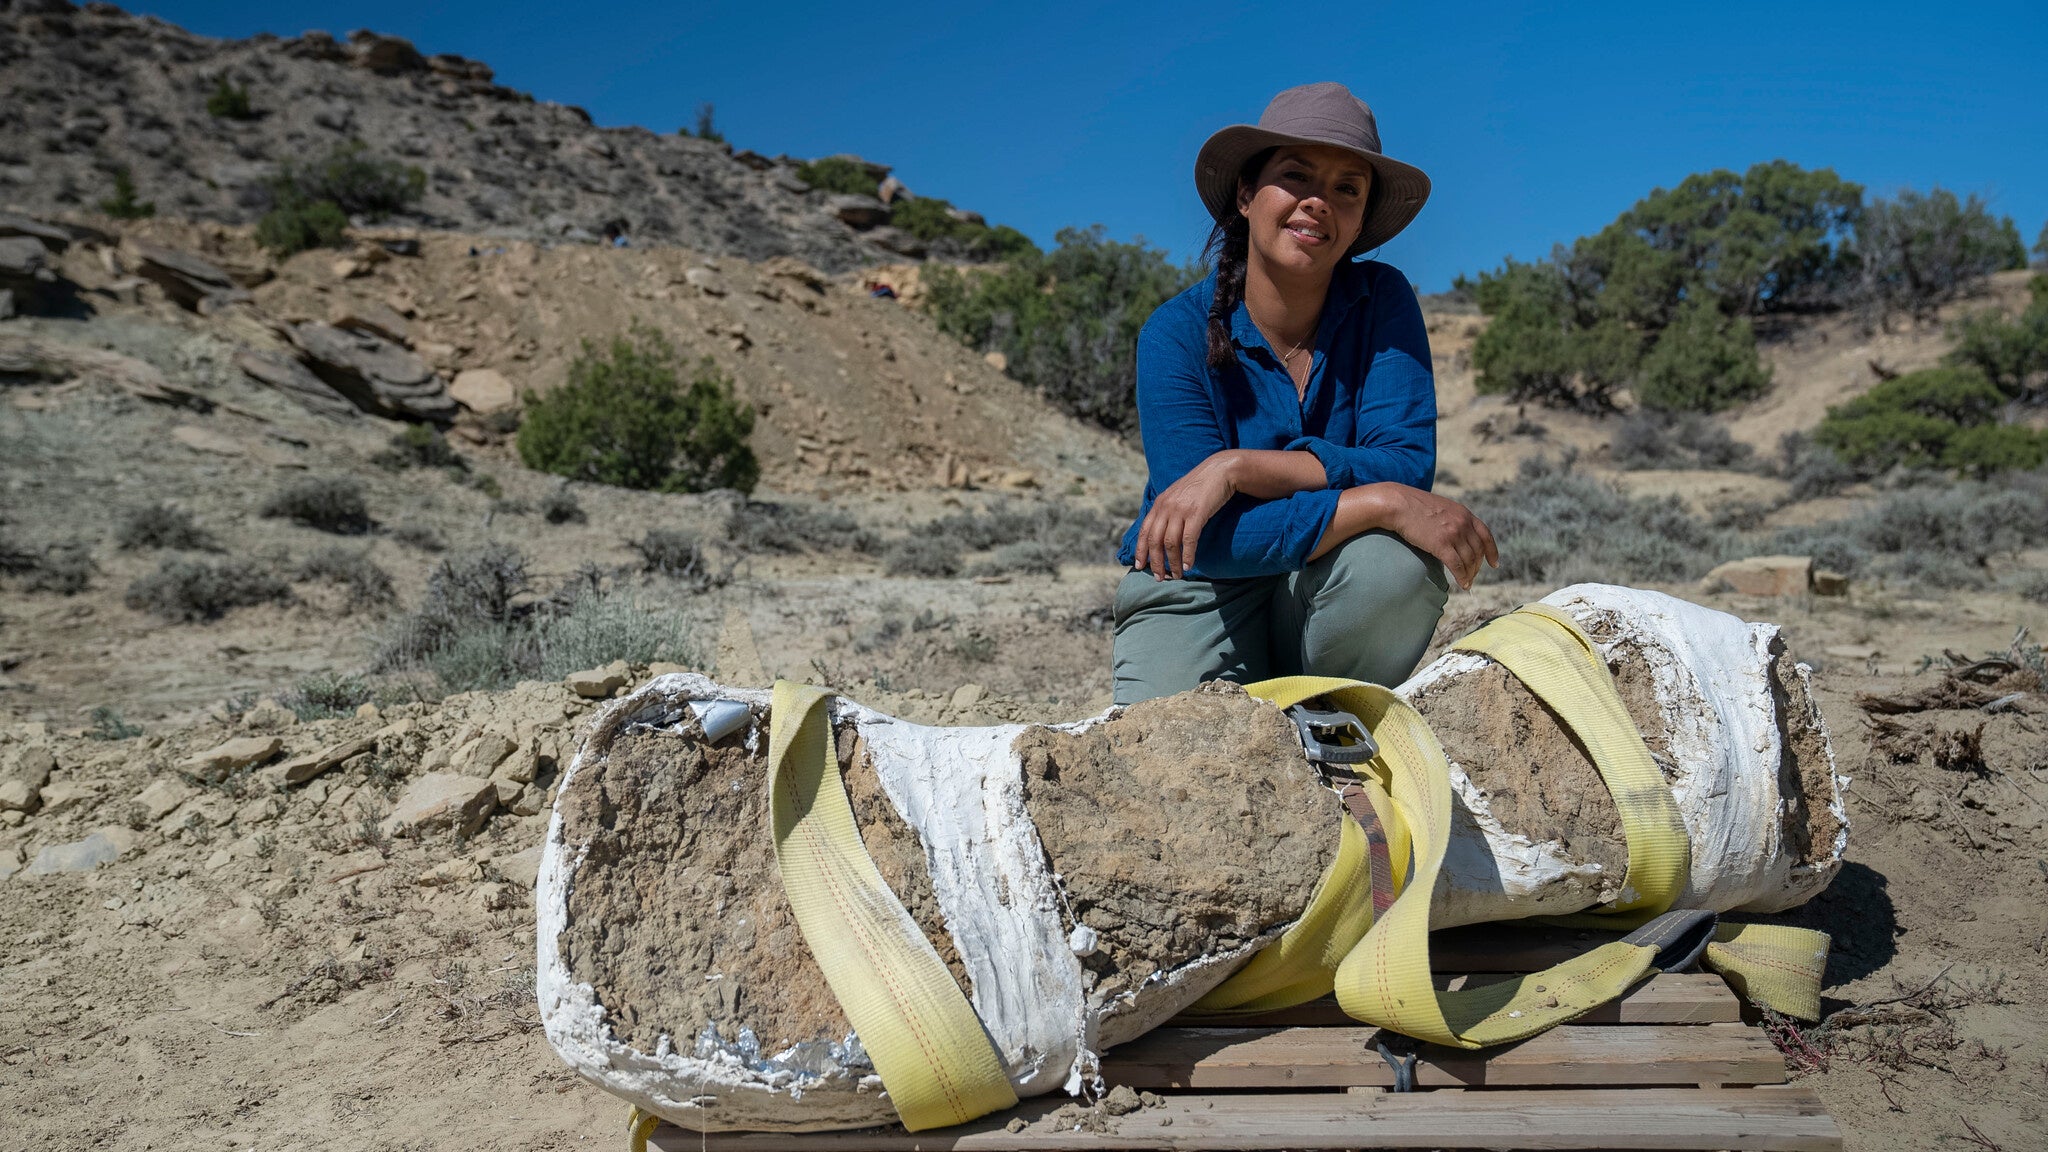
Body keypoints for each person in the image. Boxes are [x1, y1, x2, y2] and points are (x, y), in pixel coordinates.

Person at [1112, 82, 1498, 705]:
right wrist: (1380, 503)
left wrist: (1237, 468)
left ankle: (1332, 706)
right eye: (1296, 176)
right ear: (1245, 194)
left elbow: (1403, 463)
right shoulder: (1174, 334)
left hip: (1325, 579)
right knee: (1166, 751)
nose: (1319, 202)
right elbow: (1201, 536)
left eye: (1347, 188)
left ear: (1359, 219)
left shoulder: (1383, 303)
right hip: (1199, 585)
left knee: (1391, 570)